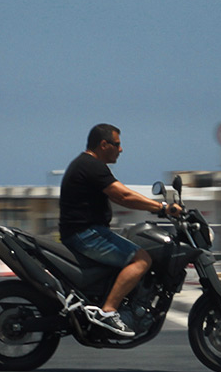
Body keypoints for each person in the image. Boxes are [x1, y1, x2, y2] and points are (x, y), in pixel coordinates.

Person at [59, 123, 181, 337]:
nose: (121, 149)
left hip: (85, 232)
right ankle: (108, 311)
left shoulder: (86, 164)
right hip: (85, 234)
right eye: (117, 144)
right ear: (104, 144)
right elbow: (124, 196)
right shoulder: (91, 165)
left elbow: (122, 197)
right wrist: (163, 207)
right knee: (141, 259)